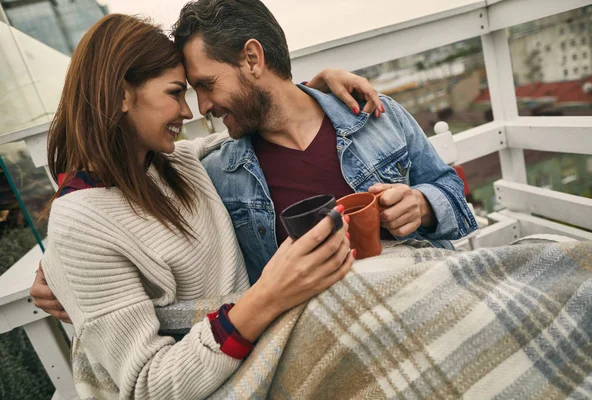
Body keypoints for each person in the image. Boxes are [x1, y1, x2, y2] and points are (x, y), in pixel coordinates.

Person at [34, 13, 394, 399]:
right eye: (175, 93)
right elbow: (147, 387)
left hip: (266, 356)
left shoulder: (176, 164)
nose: (189, 112)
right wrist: (269, 295)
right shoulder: (80, 220)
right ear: (121, 94)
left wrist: (311, 91)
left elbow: (251, 120)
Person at [170, 0, 478, 284]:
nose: (203, 107)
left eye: (206, 85)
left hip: (430, 288)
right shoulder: (220, 174)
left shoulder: (374, 114)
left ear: (253, 58)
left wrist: (423, 206)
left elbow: (452, 193)